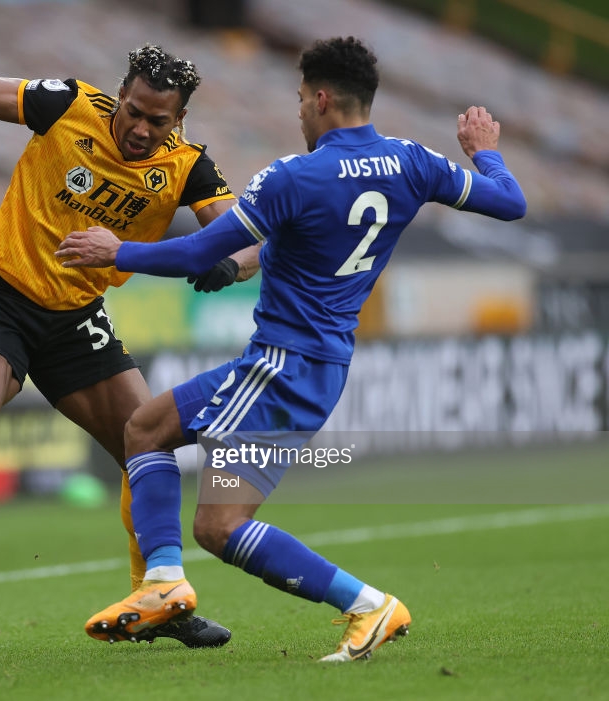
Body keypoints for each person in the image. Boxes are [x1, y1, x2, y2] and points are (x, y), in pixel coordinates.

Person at [56, 36, 526, 660]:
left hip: (285, 362)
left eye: (302, 99)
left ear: (323, 98)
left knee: (217, 525)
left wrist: (118, 252)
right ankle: (164, 584)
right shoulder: (414, 162)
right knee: (145, 427)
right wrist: (485, 154)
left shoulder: (294, 174)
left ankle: (367, 605)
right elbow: (511, 202)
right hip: (316, 362)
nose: (299, 111)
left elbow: (199, 250)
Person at [0, 44, 260, 646]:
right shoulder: (66, 106)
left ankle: (156, 598)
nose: (141, 129)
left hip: (77, 320)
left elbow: (246, 236)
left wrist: (232, 268)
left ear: (180, 121)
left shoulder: (188, 166)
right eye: (133, 111)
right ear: (120, 96)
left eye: (157, 120)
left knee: (145, 444)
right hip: (4, 297)